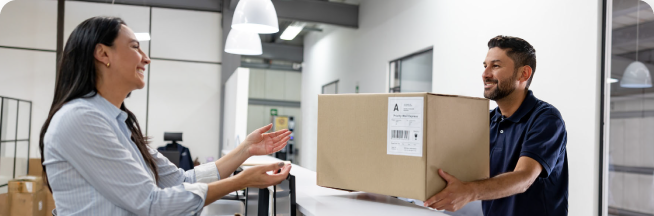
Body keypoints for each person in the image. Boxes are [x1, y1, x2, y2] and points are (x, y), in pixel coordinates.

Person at [39, 16, 292, 216]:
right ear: (103, 54)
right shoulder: (80, 119)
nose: (146, 59)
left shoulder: (118, 122)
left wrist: (244, 150)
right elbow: (151, 203)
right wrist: (240, 181)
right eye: (135, 47)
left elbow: (178, 180)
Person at [424, 35, 568, 216]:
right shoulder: (487, 120)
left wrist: (469, 192)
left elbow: (524, 178)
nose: (485, 74)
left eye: (496, 66)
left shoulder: (546, 119)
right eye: (485, 66)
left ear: (524, 73)